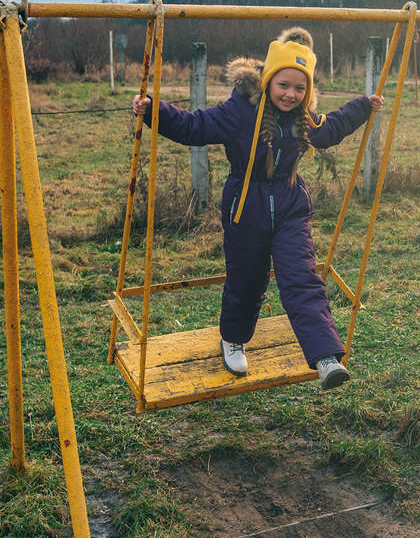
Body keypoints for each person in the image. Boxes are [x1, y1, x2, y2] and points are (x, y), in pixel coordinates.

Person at [132, 27, 383, 390]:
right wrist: (154, 110)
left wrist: (362, 106)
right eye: (284, 85)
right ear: (268, 80)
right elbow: (194, 126)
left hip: (290, 208)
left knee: (301, 277)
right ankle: (233, 338)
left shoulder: (303, 119)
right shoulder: (239, 112)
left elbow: (332, 129)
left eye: (300, 88)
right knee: (246, 281)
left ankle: (325, 356)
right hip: (244, 209)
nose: (291, 94)